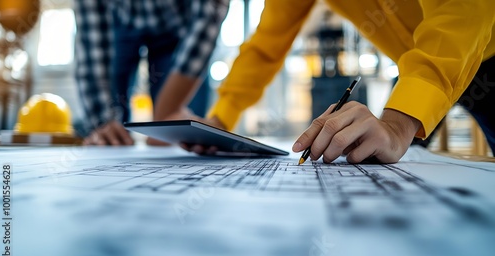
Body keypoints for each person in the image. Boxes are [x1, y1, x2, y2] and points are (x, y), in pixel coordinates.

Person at [165, 0, 495, 162]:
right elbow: (265, 45)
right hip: (416, 69)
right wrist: (222, 117)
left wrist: (397, 124)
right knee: (383, 166)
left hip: (484, 54)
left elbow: (463, 10)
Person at [74, 0, 229, 145]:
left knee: (181, 132)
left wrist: (167, 115)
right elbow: (92, 44)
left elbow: (208, 16)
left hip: (180, 27)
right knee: (111, 134)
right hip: (118, 22)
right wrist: (102, 121)